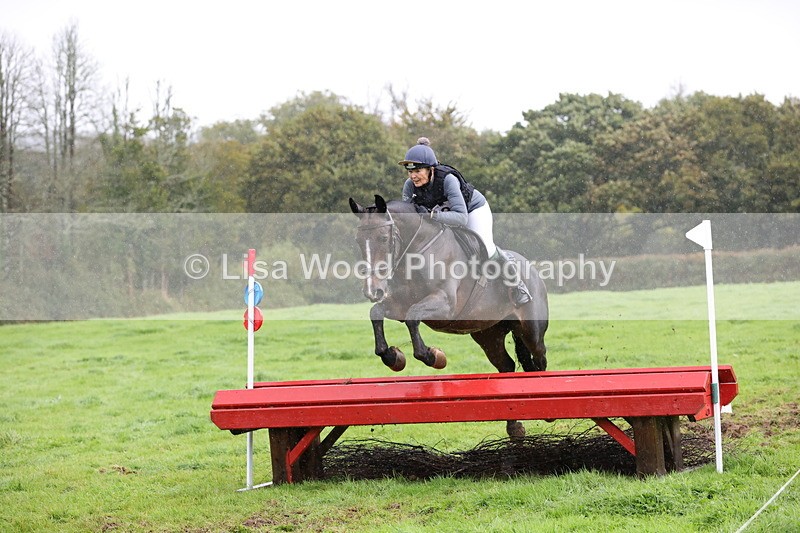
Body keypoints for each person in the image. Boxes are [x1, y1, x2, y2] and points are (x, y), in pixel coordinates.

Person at [399, 137, 532, 307]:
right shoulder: (409, 186)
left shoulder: (447, 180)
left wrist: (432, 216)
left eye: (417, 171)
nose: (413, 176)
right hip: (444, 216)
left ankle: (516, 284)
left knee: (487, 248)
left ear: (430, 169)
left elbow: (461, 218)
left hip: (472, 210)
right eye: (410, 172)